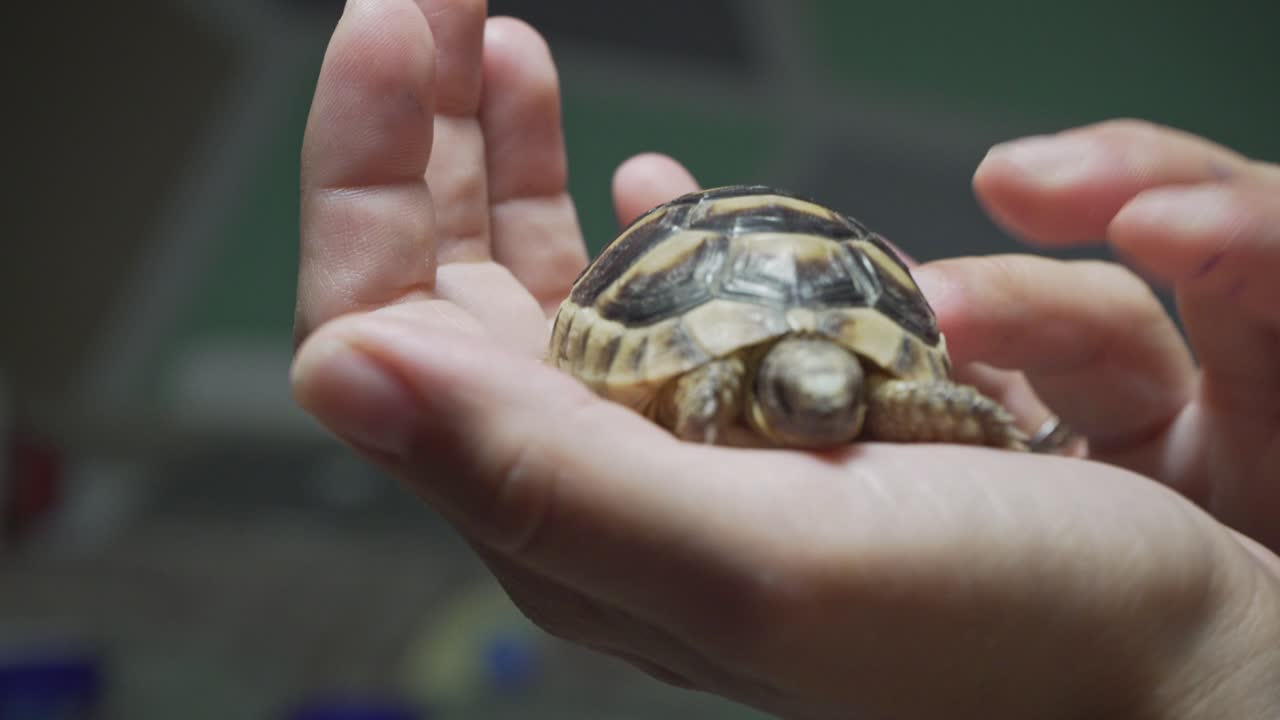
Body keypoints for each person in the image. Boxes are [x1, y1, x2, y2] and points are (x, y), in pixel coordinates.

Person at [290, 0, 1280, 717]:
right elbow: (710, 379)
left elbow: (930, 406)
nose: (822, 409)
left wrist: (1218, 642)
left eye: (836, 395)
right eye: (800, 394)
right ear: (762, 382)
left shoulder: (864, 395)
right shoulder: (713, 380)